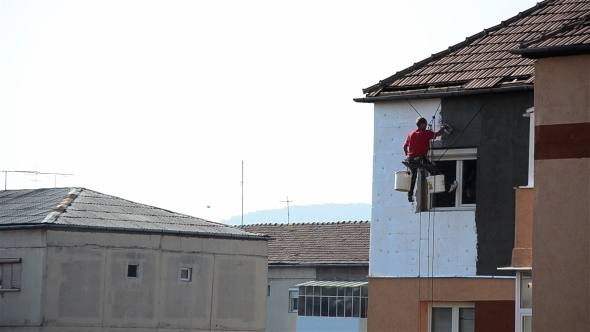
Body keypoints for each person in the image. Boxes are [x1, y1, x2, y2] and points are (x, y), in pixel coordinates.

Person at [403, 117, 446, 202]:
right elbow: (438, 134)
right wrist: (443, 127)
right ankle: (446, 187)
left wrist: (407, 155)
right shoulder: (426, 133)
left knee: (413, 177)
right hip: (420, 158)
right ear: (422, 124)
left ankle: (409, 195)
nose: (426, 126)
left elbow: (404, 147)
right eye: (425, 125)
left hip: (411, 159)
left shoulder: (410, 134)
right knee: (434, 172)